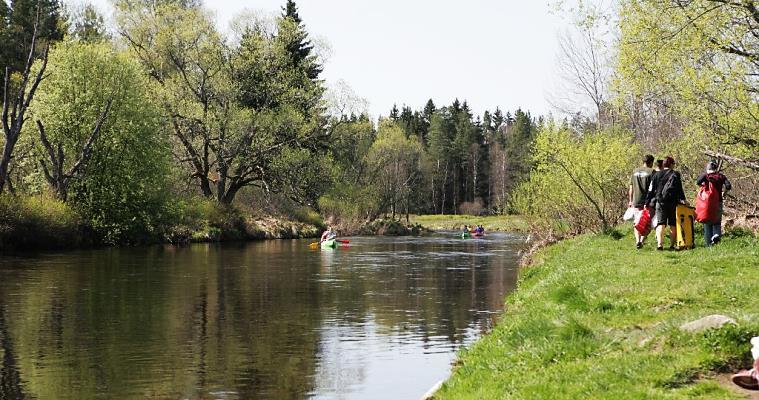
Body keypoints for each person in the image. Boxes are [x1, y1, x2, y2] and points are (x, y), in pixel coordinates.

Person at [645, 156, 686, 250]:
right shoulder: (675, 174)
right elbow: (679, 189)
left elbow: (651, 190)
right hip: (673, 202)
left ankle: (660, 245)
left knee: (661, 223)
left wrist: (647, 201)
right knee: (672, 223)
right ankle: (672, 245)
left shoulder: (656, 175)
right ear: (671, 164)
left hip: (660, 202)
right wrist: (683, 199)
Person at [696, 160, 731, 246]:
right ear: (716, 168)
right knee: (717, 222)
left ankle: (708, 244)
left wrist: (704, 187)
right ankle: (716, 235)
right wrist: (724, 193)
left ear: (708, 168)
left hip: (707, 204)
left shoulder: (705, 176)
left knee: (707, 223)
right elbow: (728, 186)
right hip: (718, 202)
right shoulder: (721, 176)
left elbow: (698, 182)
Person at [629, 154, 655, 249]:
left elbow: (631, 188)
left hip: (636, 200)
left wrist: (630, 200)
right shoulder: (652, 172)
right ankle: (642, 241)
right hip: (648, 202)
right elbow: (654, 188)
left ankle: (637, 241)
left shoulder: (635, 171)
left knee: (637, 221)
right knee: (647, 222)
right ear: (651, 162)